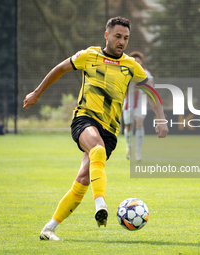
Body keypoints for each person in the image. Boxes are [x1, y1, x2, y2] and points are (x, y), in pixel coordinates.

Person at [23, 16, 168, 241]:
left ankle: (49, 229)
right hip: (84, 119)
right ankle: (101, 204)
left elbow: (151, 92)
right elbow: (60, 68)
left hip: (110, 131)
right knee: (97, 150)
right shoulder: (89, 55)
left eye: (126, 38)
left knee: (82, 179)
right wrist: (37, 93)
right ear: (106, 35)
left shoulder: (131, 66)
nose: (122, 41)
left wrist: (160, 119)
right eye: (118, 36)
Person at [122, 51, 153, 161]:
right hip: (128, 102)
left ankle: (138, 152)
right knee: (128, 126)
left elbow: (151, 87)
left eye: (138, 61)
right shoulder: (125, 72)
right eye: (134, 61)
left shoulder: (146, 73)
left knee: (139, 123)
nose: (137, 62)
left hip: (140, 102)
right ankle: (129, 147)